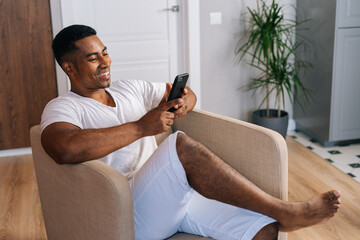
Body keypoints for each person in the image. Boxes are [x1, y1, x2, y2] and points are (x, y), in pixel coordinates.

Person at [41, 24, 341, 240]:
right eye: (93, 58)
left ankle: (276, 217)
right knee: (180, 146)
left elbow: (183, 93)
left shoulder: (129, 87)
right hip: (129, 210)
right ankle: (285, 210)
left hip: (170, 196)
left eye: (105, 53)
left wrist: (185, 102)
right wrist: (141, 127)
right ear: (69, 67)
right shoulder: (63, 107)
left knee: (262, 228)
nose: (105, 62)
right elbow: (63, 148)